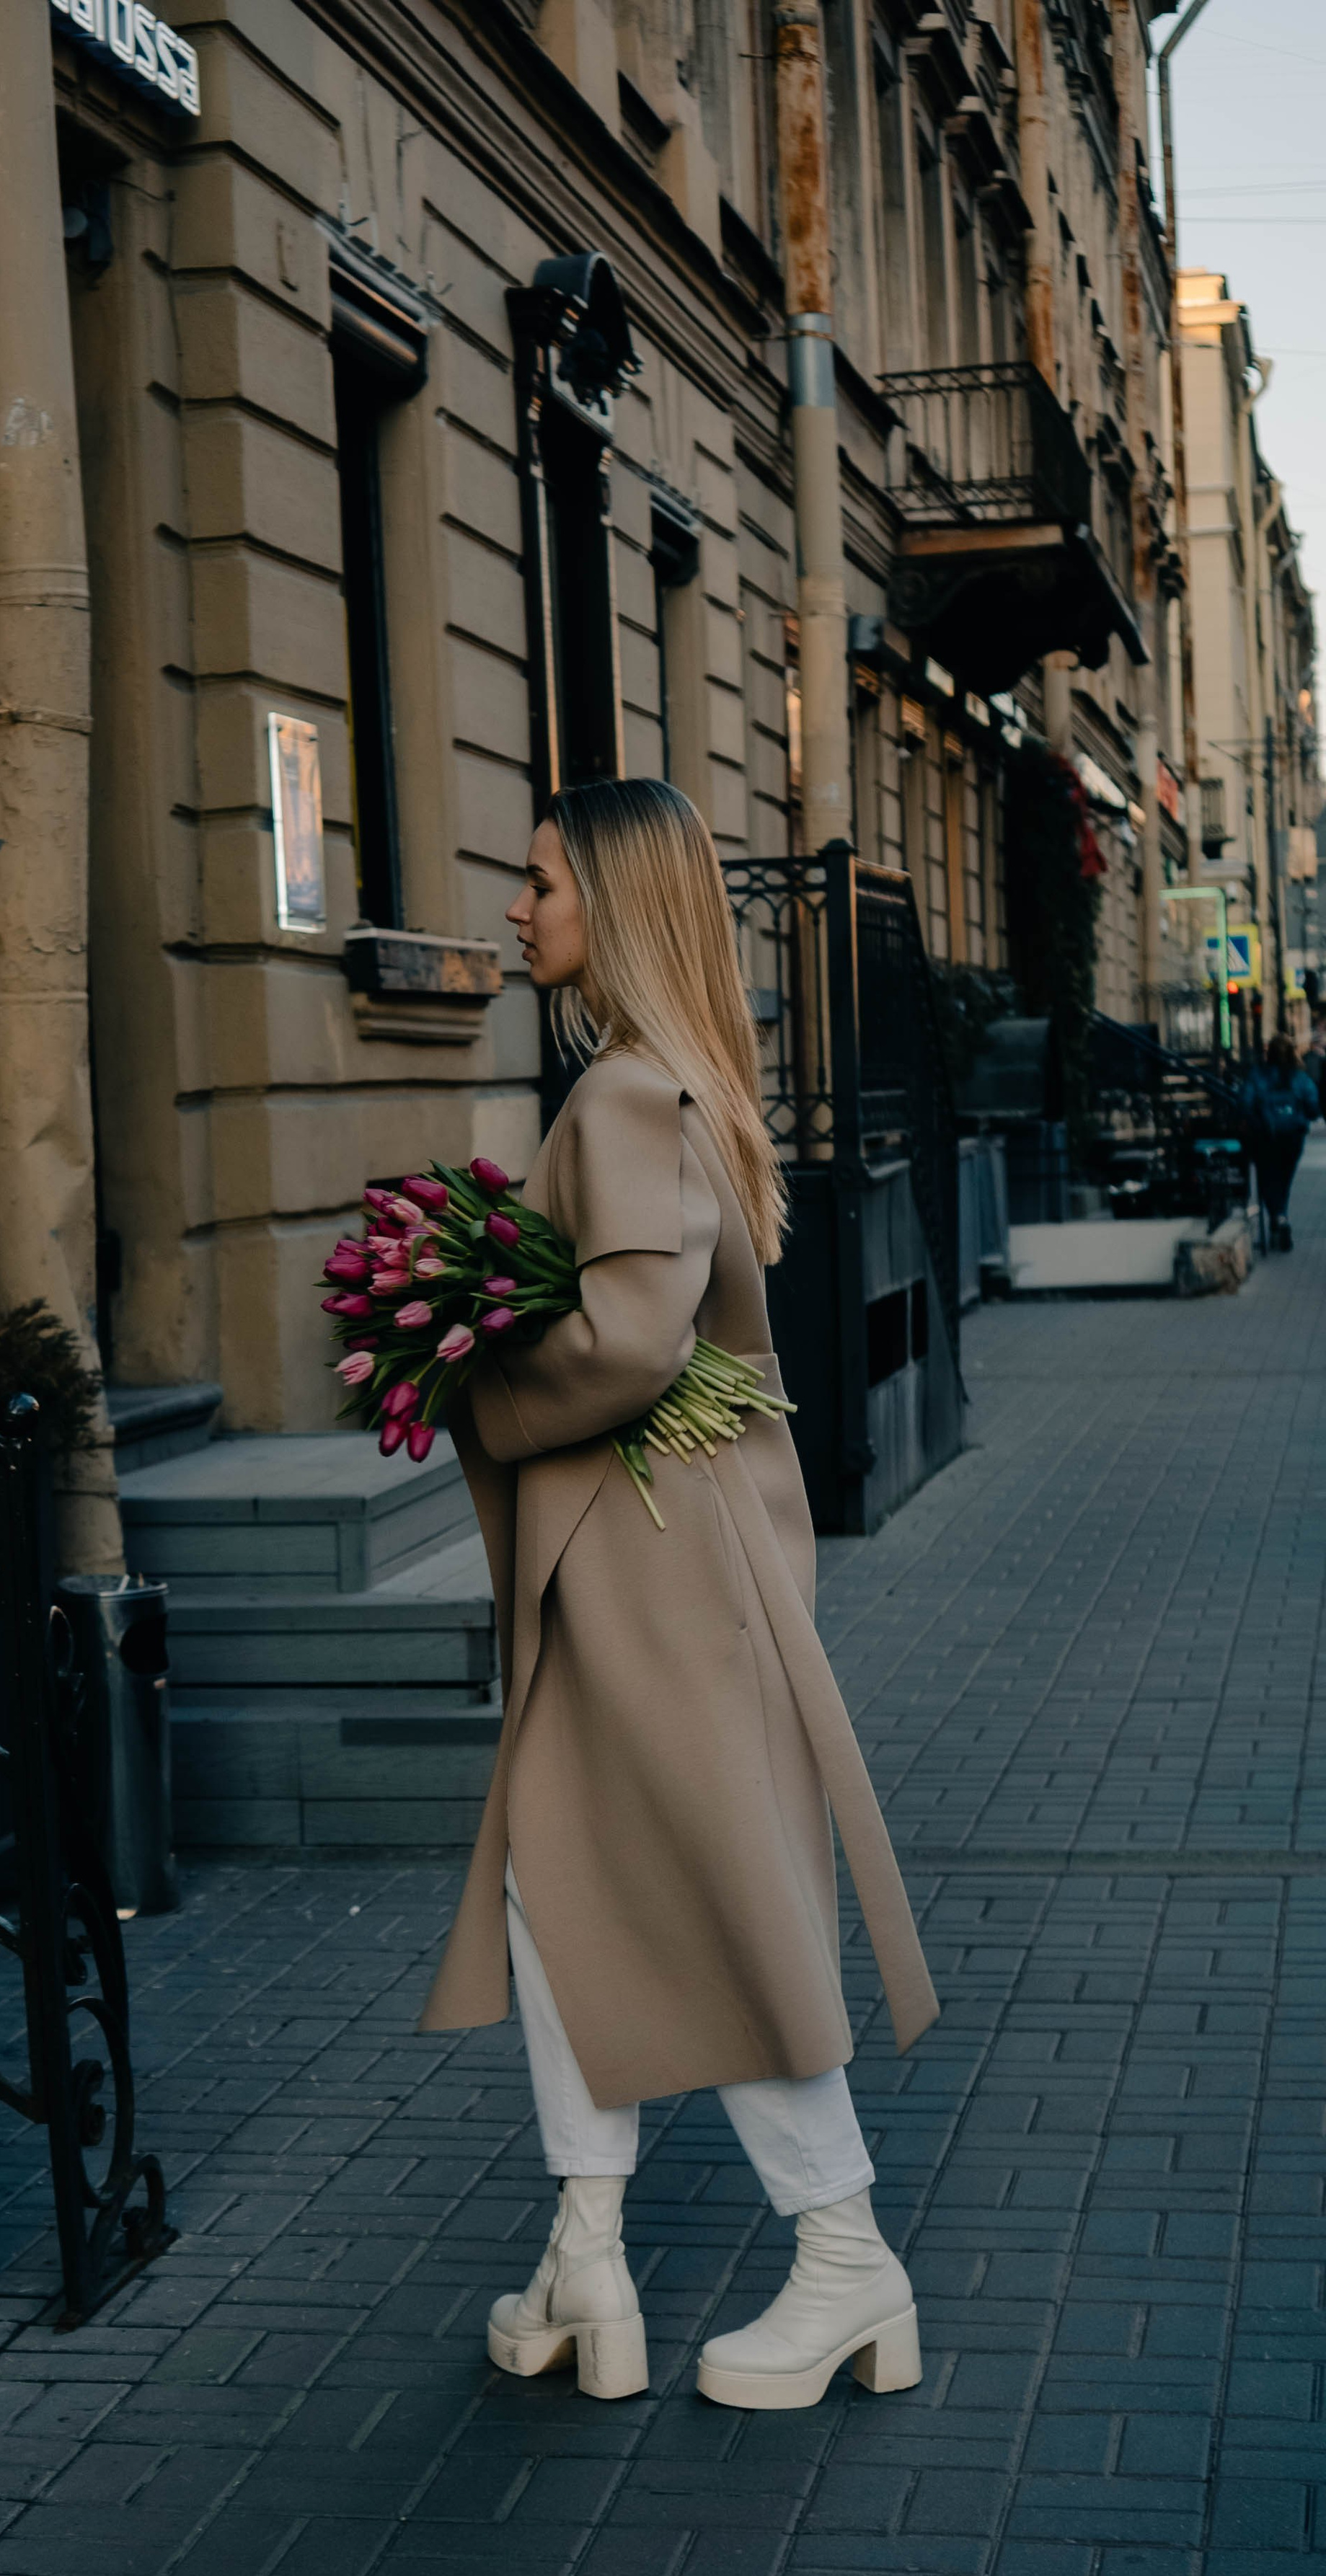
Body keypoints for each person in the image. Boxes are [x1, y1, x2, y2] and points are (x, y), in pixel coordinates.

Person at [420, 777, 938, 2413]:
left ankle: (843, 2253)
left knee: (715, 1891)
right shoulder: (675, 1082)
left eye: (542, 881)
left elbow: (634, 1343)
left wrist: (476, 1379)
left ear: (618, 903)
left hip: (650, 1564)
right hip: (652, 1560)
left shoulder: (628, 1092)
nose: (517, 909)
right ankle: (588, 2250)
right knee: (562, 1883)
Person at [1240, 1032, 1318, 1252]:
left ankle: (1278, 1216)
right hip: (1293, 1136)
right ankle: (1280, 1216)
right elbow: (1313, 1106)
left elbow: (1244, 1103)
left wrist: (1254, 1121)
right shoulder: (1299, 1077)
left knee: (1267, 1179)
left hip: (1266, 1136)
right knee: (1284, 1179)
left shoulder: (1258, 1076)